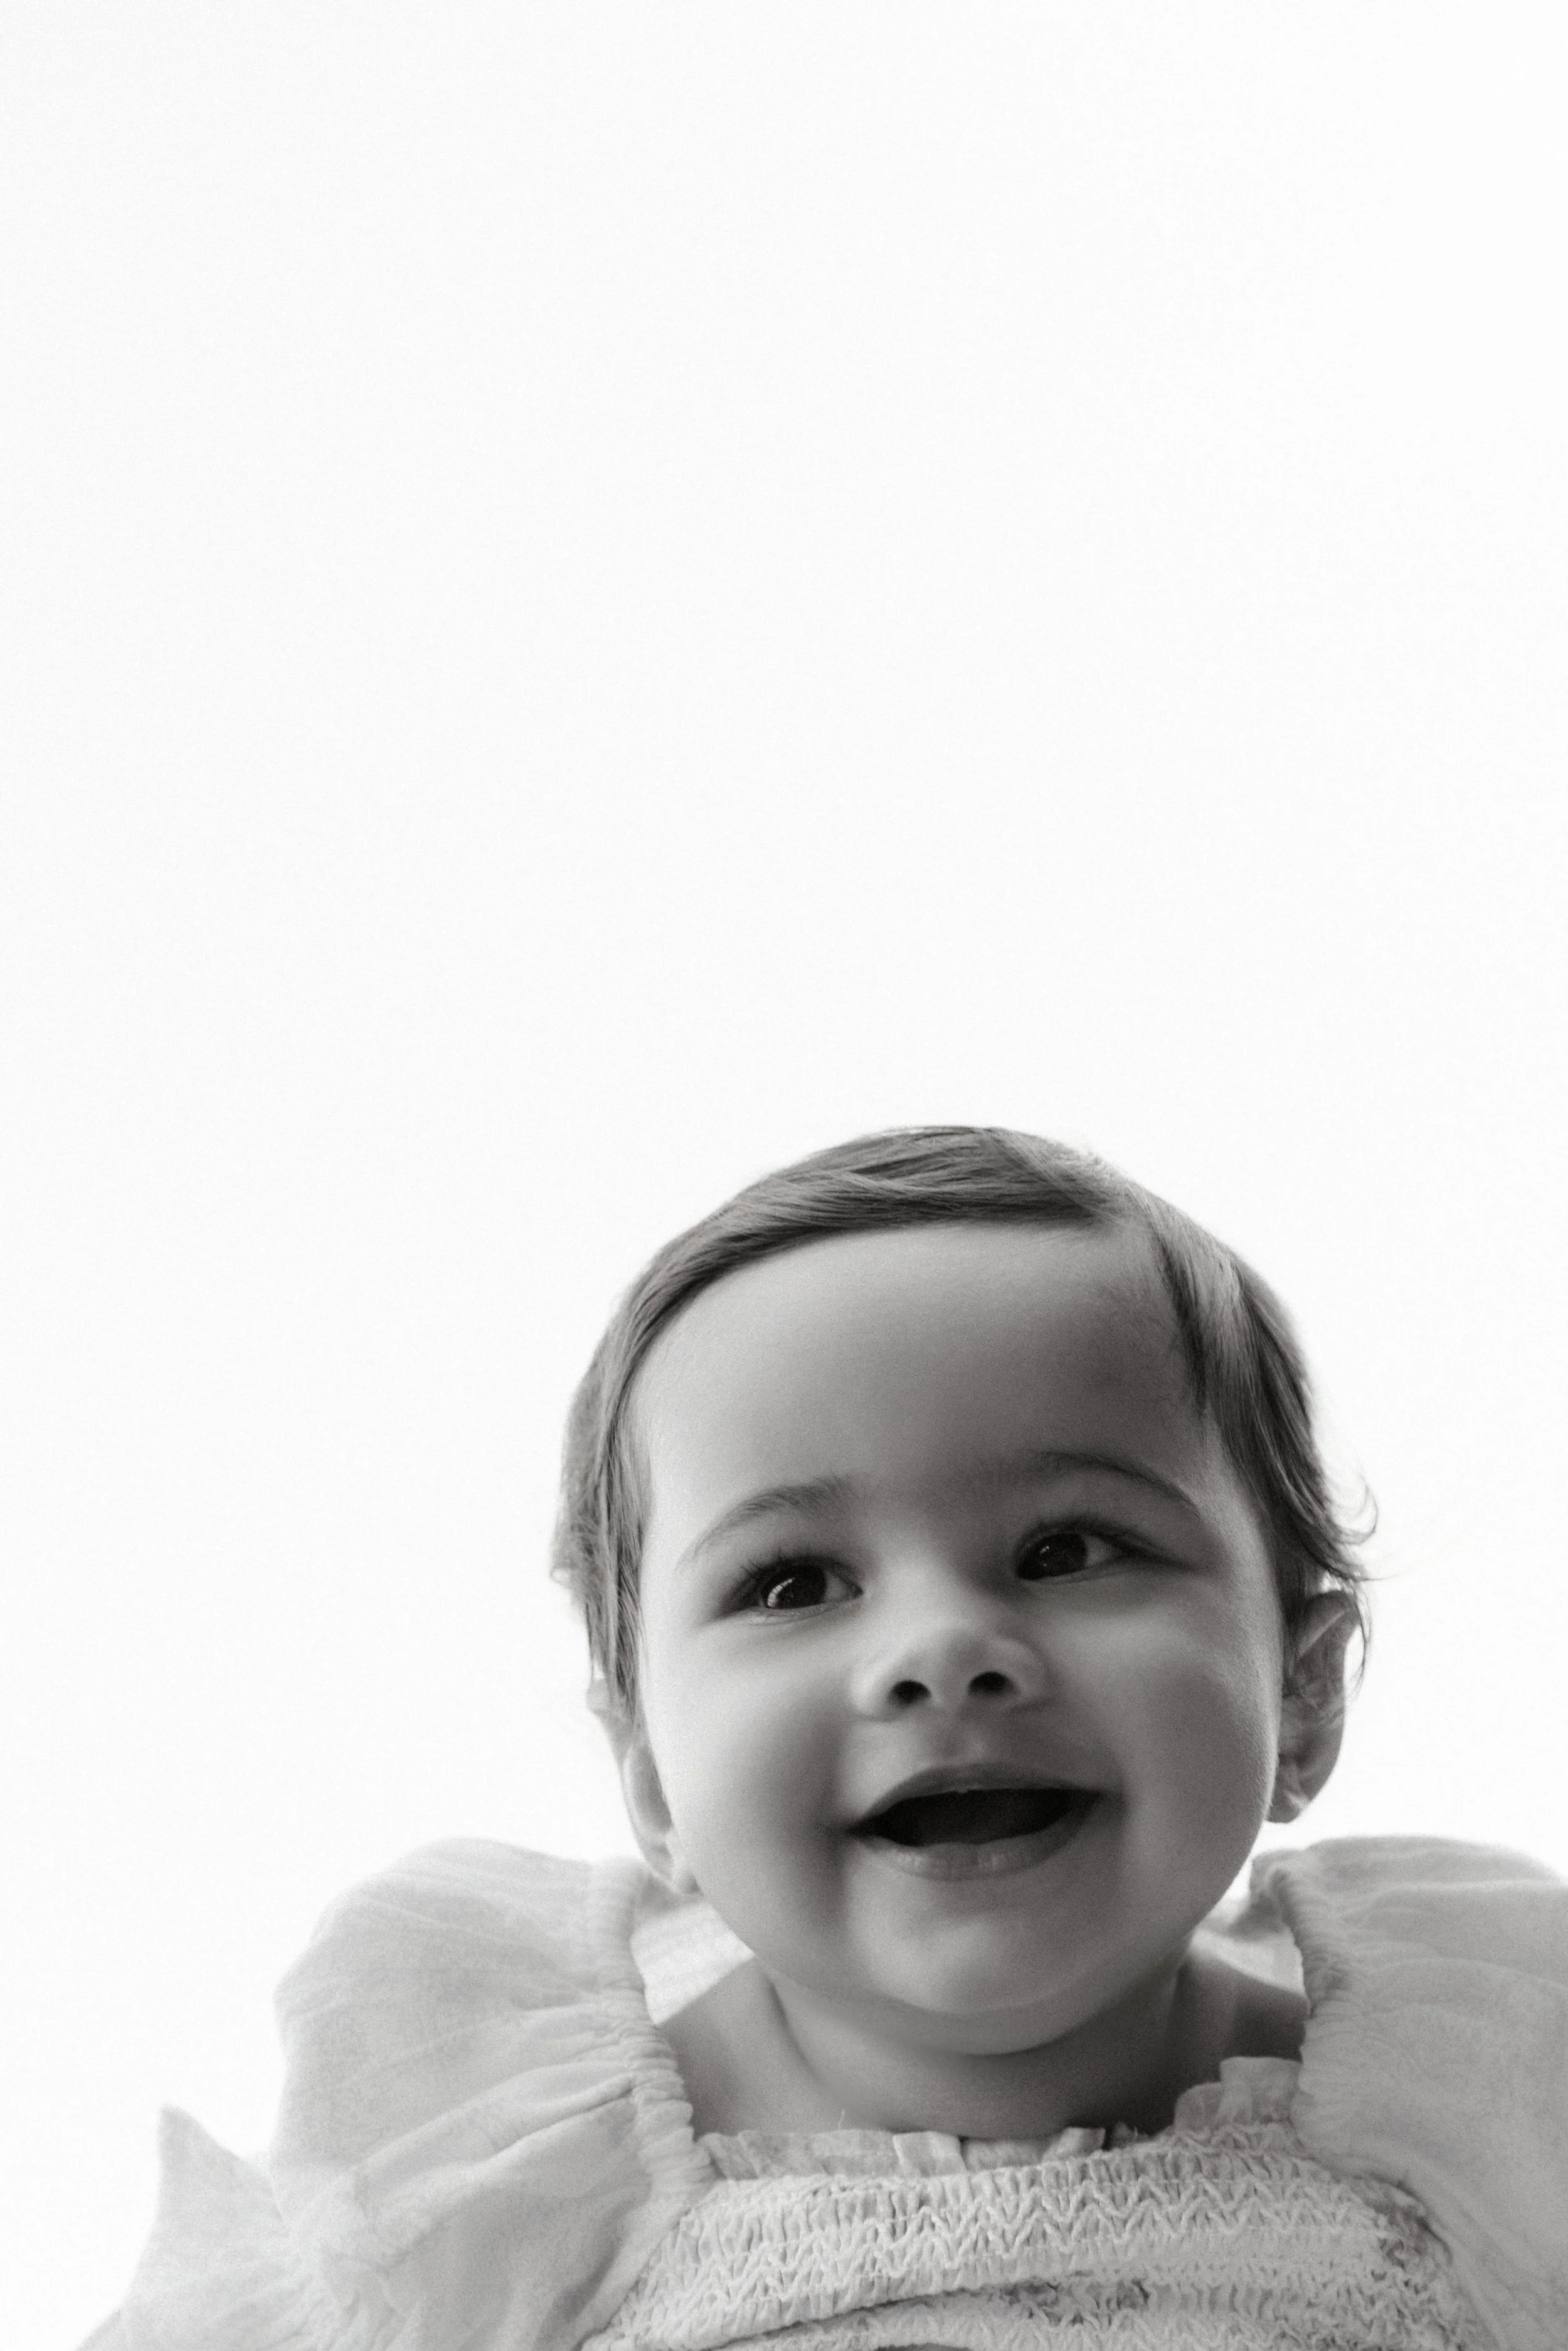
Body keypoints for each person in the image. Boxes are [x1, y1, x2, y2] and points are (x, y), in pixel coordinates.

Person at [87, 1128, 1567, 2350]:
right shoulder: (497, 2210)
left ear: (1301, 1690)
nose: (940, 1647)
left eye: (1064, 1546)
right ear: (651, 1777)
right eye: (791, 1583)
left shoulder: (1486, 2147)